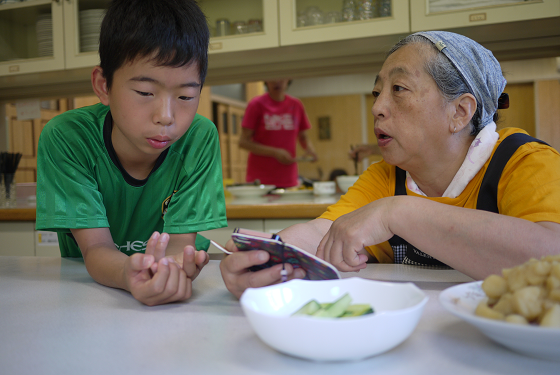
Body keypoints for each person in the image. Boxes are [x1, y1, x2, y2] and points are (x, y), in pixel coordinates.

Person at [220, 30, 560, 298]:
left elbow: (552, 255)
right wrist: (270, 256)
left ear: (459, 112)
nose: (377, 107)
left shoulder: (523, 161)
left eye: (398, 88)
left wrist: (398, 213)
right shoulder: (386, 176)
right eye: (377, 92)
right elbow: (325, 233)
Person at [35, 0, 227, 306]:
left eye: (186, 96)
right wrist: (130, 273)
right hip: (90, 302)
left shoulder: (199, 138)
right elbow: (96, 248)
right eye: (145, 93)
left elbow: (179, 246)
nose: (166, 116)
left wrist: (172, 271)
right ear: (103, 85)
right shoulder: (68, 137)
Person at [239, 79, 318, 188]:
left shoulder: (296, 104)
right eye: (273, 79)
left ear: (288, 80)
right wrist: (275, 152)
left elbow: (303, 137)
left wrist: (310, 150)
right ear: (266, 81)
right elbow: (243, 142)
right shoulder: (256, 104)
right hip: (261, 179)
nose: (277, 82)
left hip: (288, 178)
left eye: (281, 78)